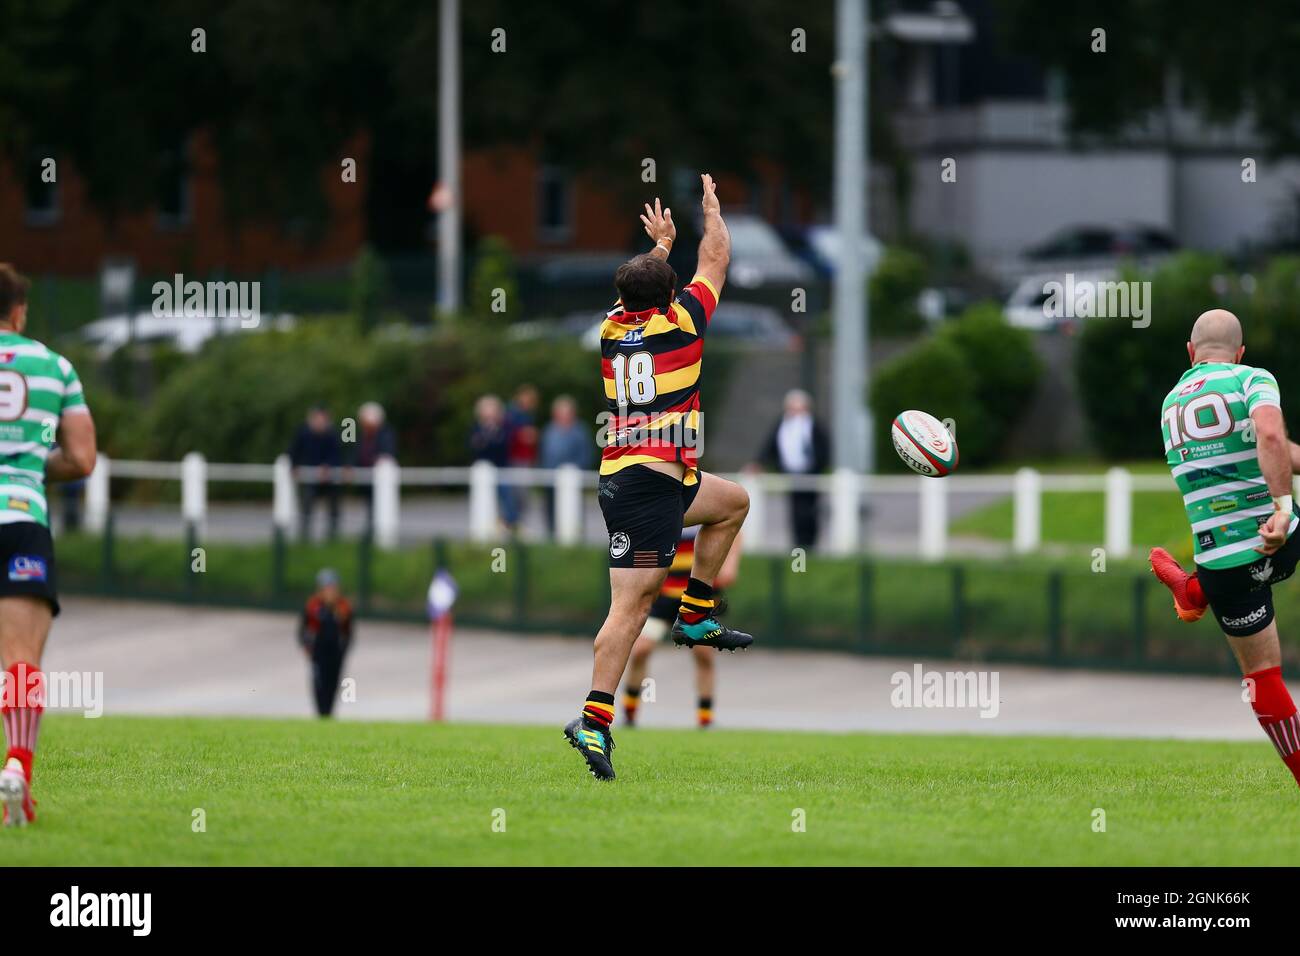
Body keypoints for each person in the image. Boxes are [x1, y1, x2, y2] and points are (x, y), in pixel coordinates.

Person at [564, 176, 753, 781]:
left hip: (648, 478)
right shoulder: (685, 324)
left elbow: (641, 288)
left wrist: (661, 250)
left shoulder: (612, 330)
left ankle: (696, 610)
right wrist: (711, 213)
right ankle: (593, 721)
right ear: (670, 294)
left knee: (732, 504)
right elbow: (718, 255)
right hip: (647, 484)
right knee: (631, 606)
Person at [1149, 308, 1300, 787]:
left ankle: (1196, 590)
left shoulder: (1171, 401)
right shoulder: (1251, 378)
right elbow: (1270, 435)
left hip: (1222, 562)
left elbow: (1269, 449)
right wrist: (1280, 506)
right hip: (1281, 535)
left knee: (1263, 678)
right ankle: (1194, 591)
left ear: (1191, 354)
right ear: (1240, 352)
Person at [0, 264, 98, 826]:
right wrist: (33, 465)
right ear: (19, 311)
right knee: (22, 661)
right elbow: (82, 458)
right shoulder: (54, 365)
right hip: (20, 518)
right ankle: (17, 768)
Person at [623, 529, 742, 729]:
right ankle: (629, 714)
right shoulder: (666, 500)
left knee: (704, 655)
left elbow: (734, 528)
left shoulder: (704, 499)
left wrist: (730, 564)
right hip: (664, 592)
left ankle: (705, 719)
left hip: (698, 595)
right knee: (640, 650)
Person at [756, 389, 830, 549]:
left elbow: (823, 449)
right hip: (789, 474)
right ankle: (798, 544)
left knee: (810, 510)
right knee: (795, 509)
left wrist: (817, 467)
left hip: (810, 475)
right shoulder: (781, 425)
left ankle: (810, 545)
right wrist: (759, 463)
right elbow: (770, 446)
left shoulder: (815, 425)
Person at [298, 568, 354, 718]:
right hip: (318, 652)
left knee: (333, 684)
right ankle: (321, 713)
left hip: (335, 653)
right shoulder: (313, 606)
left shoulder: (343, 607)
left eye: (333, 588)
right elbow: (302, 630)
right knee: (319, 684)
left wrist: (344, 651)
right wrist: (306, 647)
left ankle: (329, 713)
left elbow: (349, 633)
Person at [538, 394, 593, 533]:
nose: (563, 416)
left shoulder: (580, 431)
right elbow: (543, 454)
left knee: (573, 508)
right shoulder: (549, 430)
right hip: (551, 478)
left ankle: (575, 536)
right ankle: (551, 536)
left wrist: (573, 470)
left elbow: (586, 455)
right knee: (550, 508)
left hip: (572, 480)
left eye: (566, 413)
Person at [289, 404, 342, 542]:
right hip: (310, 477)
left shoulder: (333, 434)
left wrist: (328, 466)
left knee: (333, 505)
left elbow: (337, 454)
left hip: (329, 478)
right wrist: (294, 466)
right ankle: (304, 537)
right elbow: (294, 451)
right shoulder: (303, 433)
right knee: (306, 505)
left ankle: (333, 537)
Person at [468, 394, 518, 533]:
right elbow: (474, 448)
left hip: (501, 468)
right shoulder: (476, 428)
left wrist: (490, 437)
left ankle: (510, 524)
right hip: (482, 471)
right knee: (483, 500)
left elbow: (503, 447)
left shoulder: (505, 428)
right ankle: (488, 526)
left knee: (507, 496)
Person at [350, 401, 397, 529]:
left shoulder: (386, 434)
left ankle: (379, 532)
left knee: (380, 507)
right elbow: (355, 453)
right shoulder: (359, 435)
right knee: (370, 507)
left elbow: (387, 454)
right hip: (365, 479)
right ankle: (371, 531)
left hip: (379, 479)